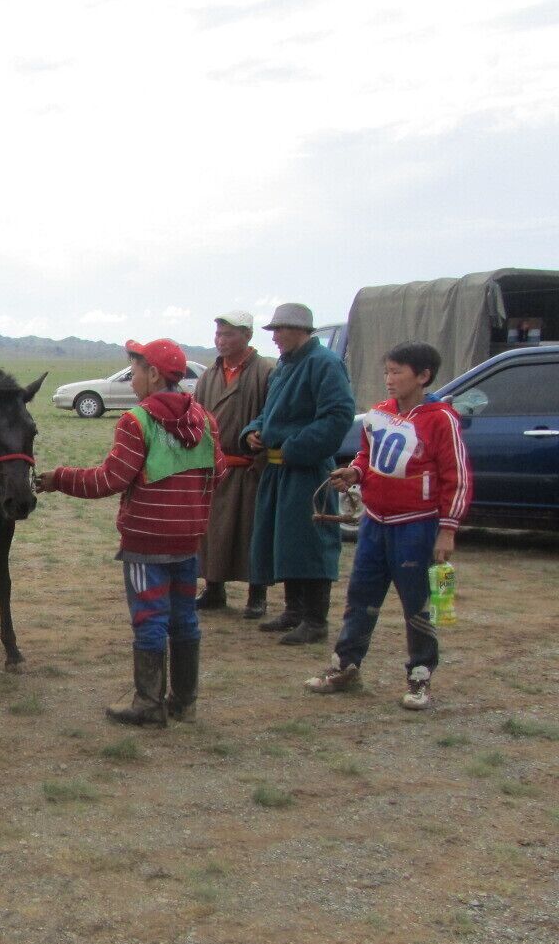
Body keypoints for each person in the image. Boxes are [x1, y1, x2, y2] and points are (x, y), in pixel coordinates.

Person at [36, 338, 223, 726]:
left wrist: (59, 479)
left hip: (146, 542)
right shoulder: (205, 420)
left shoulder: (136, 421)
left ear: (153, 374)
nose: (133, 377)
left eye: (135, 369)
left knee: (150, 618)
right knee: (184, 617)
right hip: (188, 539)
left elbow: (111, 479)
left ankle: (148, 703)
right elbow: (219, 471)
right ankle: (184, 701)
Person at [305, 342, 471, 711]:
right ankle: (345, 665)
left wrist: (448, 528)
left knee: (418, 603)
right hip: (375, 523)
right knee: (360, 597)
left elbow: (455, 476)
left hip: (417, 526)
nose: (389, 379)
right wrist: (355, 472)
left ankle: (420, 675)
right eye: (387, 372)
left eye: (397, 372)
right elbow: (369, 456)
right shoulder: (378, 415)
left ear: (423, 376)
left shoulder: (440, 419)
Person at [242, 303, 356, 645]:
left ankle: (315, 620)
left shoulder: (324, 364)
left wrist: (294, 447)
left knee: (311, 542)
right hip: (278, 469)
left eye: (279, 330)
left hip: (306, 469)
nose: (274, 337)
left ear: (300, 330)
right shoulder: (283, 367)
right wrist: (253, 431)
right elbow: (270, 414)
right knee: (285, 539)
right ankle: (294, 611)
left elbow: (338, 416)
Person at [195, 311, 275, 617]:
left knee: (250, 532)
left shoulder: (266, 372)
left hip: (250, 467)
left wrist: (259, 437)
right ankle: (214, 589)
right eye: (218, 334)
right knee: (212, 533)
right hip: (215, 466)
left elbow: (273, 414)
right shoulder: (209, 375)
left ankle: (258, 595)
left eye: (228, 335)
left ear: (247, 336)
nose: (221, 341)